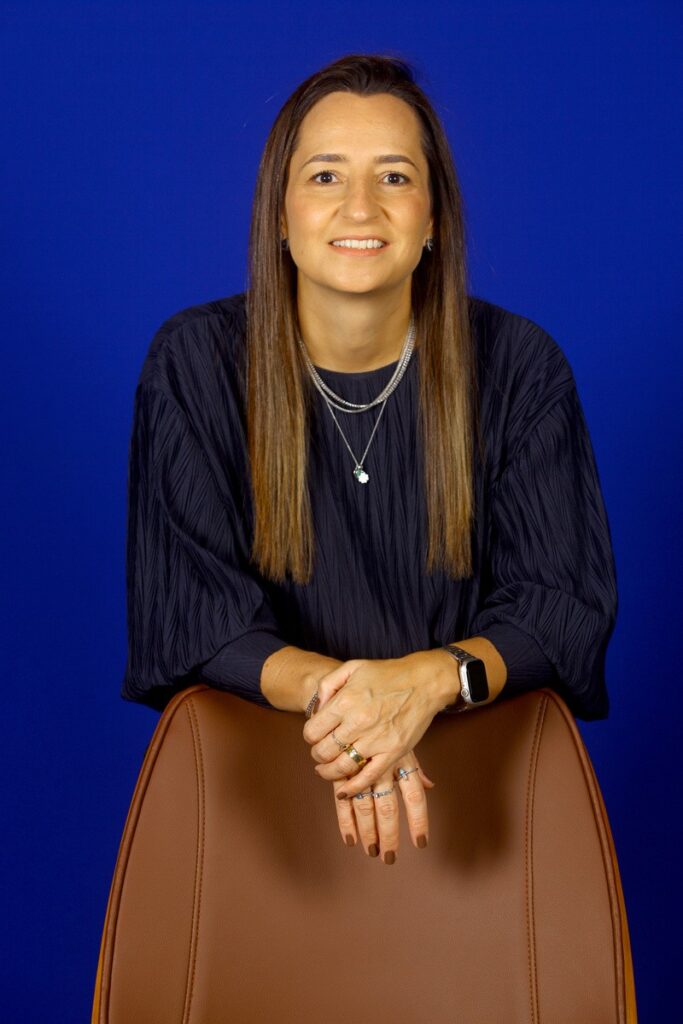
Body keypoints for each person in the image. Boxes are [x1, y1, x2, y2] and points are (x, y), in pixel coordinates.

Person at [121, 53, 618, 867]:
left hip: (479, 813)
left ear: (434, 220)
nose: (359, 206)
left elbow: (561, 611)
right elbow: (191, 616)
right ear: (279, 216)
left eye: (393, 177)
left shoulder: (519, 366)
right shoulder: (195, 363)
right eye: (324, 176)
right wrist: (354, 708)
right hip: (262, 815)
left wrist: (423, 684)